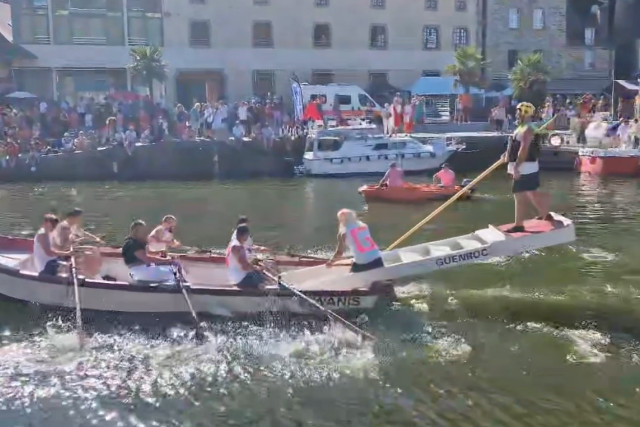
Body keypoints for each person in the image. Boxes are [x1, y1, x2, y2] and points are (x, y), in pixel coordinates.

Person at [501, 102, 552, 233]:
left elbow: (523, 150)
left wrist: (517, 167)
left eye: (518, 112)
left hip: (524, 167)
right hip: (526, 166)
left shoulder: (527, 129)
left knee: (519, 196)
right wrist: (506, 155)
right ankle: (545, 213)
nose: (516, 114)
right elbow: (515, 146)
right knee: (532, 192)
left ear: (524, 113)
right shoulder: (522, 127)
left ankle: (519, 225)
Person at [326, 209, 384, 273]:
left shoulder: (343, 233)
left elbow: (339, 253)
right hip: (378, 260)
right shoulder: (364, 226)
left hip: (363, 264)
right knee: (353, 261)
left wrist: (331, 262)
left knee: (350, 267)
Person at [226, 225, 268, 289]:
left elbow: (250, 247)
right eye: (248, 235)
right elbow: (245, 266)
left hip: (237, 277)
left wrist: (261, 248)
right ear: (245, 235)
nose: (248, 237)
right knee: (261, 277)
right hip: (241, 279)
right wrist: (258, 268)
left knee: (259, 269)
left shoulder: (235, 243)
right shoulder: (237, 247)